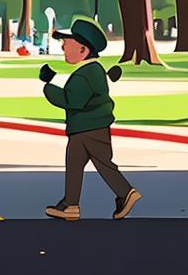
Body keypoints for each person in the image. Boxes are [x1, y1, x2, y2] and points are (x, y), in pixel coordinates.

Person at [39, 17, 140, 221]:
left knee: (103, 164)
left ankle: (125, 192)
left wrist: (48, 87)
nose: (63, 47)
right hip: (87, 129)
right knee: (75, 164)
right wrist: (55, 79)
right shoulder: (90, 72)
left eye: (67, 44)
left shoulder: (86, 74)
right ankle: (70, 205)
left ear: (83, 50)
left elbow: (72, 99)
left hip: (89, 130)